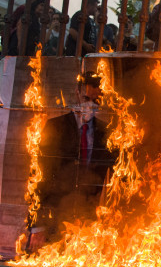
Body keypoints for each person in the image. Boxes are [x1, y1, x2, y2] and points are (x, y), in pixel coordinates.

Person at [35, 72, 114, 242]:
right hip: (56, 213)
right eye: (86, 99)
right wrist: (37, 224)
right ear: (77, 93)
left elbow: (114, 174)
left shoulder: (106, 132)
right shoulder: (56, 127)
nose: (90, 106)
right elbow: (40, 177)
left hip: (88, 216)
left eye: (95, 101)